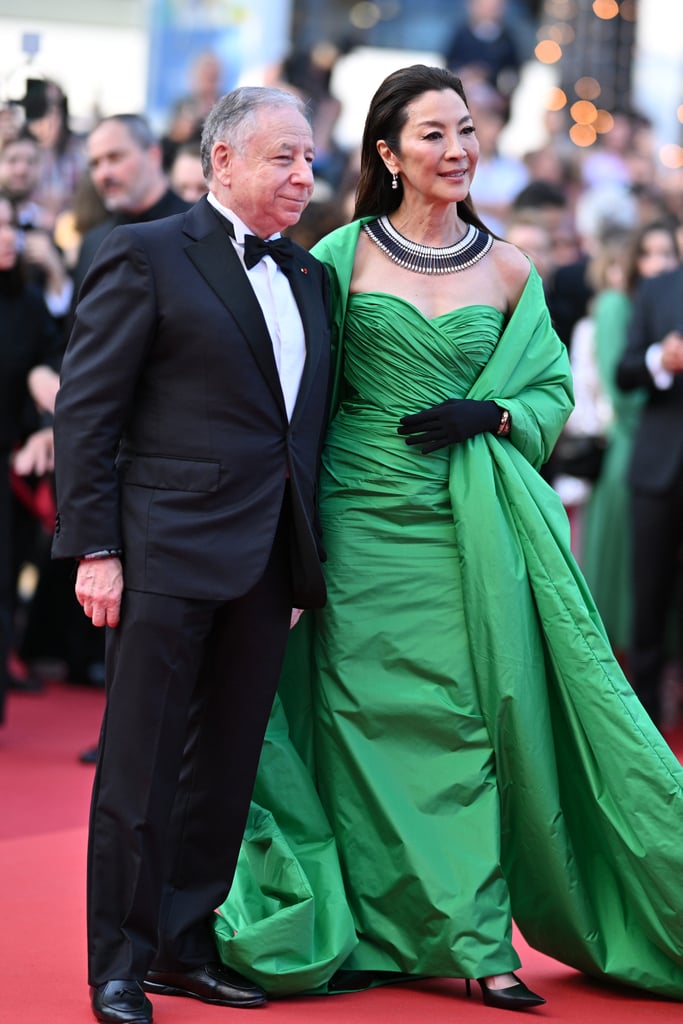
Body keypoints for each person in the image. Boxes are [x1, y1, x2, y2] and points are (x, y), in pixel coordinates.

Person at [212, 65, 683, 1010]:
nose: (456, 149)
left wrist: (496, 414)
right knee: (357, 731)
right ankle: (382, 931)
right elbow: (296, 397)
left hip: (463, 530)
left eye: (464, 130)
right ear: (387, 154)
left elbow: (549, 393)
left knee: (464, 727)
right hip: (355, 520)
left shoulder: (510, 267)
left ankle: (474, 938)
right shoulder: (337, 256)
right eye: (432, 134)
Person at [51, 85, 331, 1024]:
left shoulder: (306, 276)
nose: (305, 174)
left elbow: (303, 432)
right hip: (162, 551)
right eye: (284, 157)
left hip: (264, 563)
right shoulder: (143, 252)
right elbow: (88, 413)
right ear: (222, 159)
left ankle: (184, 944)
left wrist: (299, 554)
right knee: (139, 768)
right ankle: (118, 964)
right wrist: (95, 547)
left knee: (224, 770)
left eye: (308, 158)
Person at [580, 220, 680, 666]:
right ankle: (643, 701)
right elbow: (622, 380)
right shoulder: (633, 302)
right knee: (646, 590)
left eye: (666, 253)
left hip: (650, 450)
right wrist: (662, 360)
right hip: (648, 458)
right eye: (649, 253)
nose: (657, 262)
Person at [0, 191, 61, 723]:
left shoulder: (28, 299)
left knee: (4, 578)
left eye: (9, 225)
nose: (6, 237)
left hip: (14, 463)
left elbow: (51, 358)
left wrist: (46, 428)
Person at [616, 251, 683, 728]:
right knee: (650, 592)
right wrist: (662, 358)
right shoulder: (658, 289)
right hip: (660, 467)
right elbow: (624, 369)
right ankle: (645, 720)